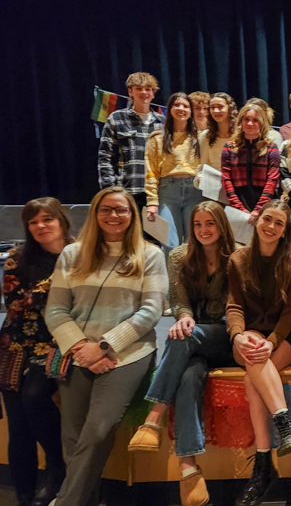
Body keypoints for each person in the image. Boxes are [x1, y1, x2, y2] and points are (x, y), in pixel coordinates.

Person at [45, 187, 168, 506]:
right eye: (106, 209)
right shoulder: (72, 255)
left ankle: (65, 501)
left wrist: (105, 345)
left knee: (98, 430)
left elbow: (151, 310)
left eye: (121, 210)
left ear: (132, 215)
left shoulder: (150, 255)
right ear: (95, 214)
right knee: (73, 437)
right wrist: (81, 347)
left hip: (128, 354)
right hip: (78, 352)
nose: (114, 216)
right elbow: (55, 310)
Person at [126, 202, 237, 506]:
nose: (203, 230)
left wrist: (190, 325)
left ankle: (153, 419)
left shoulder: (238, 256)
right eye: (198, 224)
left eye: (210, 224)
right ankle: (189, 469)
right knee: (188, 377)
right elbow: (178, 300)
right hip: (190, 337)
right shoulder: (178, 256)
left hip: (226, 335)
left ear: (221, 226)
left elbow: (235, 306)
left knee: (185, 336)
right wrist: (185, 316)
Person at [226, 199, 291, 505]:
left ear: (285, 230)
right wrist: (237, 336)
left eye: (279, 223)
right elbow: (233, 306)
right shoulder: (237, 259)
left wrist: (271, 341)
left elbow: (290, 314)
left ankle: (262, 467)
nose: (271, 227)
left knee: (253, 379)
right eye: (267, 220)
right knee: (252, 359)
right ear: (257, 220)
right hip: (246, 336)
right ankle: (284, 427)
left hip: (283, 336)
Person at [1, 198, 73, 506]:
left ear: (61, 220)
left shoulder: (79, 254)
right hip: (16, 344)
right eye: (33, 222)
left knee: (35, 396)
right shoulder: (17, 258)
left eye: (46, 219)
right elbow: (15, 304)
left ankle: (58, 467)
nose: (40, 226)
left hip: (61, 342)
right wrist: (56, 286)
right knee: (18, 428)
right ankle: (25, 496)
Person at [97, 72, 166, 214]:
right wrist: (109, 190)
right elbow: (105, 157)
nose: (144, 92)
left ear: (153, 93)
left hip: (158, 194)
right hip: (127, 192)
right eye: (138, 88)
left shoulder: (163, 123)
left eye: (148, 89)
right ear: (130, 92)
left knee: (156, 236)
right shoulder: (117, 118)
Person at [144, 92, 203, 249]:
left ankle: (193, 275)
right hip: (168, 192)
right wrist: (152, 202)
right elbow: (151, 171)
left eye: (185, 106)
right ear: (169, 109)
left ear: (191, 111)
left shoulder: (200, 137)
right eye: (177, 105)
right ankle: (171, 275)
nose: (181, 109)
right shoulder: (156, 138)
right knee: (170, 244)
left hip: (195, 191)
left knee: (194, 243)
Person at [221, 102, 282, 225]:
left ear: (262, 123)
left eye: (255, 120)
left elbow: (272, 180)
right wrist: (240, 209)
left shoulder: (271, 148)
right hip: (238, 207)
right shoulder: (229, 147)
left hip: (265, 206)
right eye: (246, 119)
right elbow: (226, 180)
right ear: (241, 121)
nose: (250, 123)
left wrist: (258, 209)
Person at [196, 92, 238, 184]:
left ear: (229, 108)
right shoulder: (206, 136)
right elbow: (203, 166)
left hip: (238, 185)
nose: (215, 111)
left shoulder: (240, 134)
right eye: (212, 107)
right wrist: (201, 177)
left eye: (220, 107)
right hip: (213, 186)